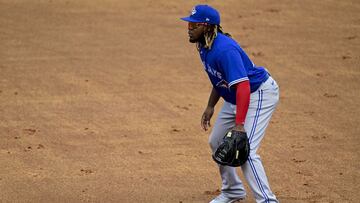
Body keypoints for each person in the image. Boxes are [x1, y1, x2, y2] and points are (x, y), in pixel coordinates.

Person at [181, 5, 280, 203]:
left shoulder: (225, 50)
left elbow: (243, 87)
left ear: (208, 27)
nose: (189, 28)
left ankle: (268, 201)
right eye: (189, 24)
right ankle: (233, 190)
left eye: (194, 25)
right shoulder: (203, 45)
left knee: (246, 150)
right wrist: (211, 105)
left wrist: (240, 124)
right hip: (235, 97)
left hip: (257, 94)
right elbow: (219, 78)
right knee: (216, 141)